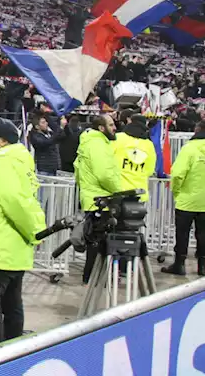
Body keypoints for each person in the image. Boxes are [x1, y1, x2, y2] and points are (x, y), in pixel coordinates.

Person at [0, 119, 45, 346]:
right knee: (11, 305)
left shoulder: (3, 164)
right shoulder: (20, 161)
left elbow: (14, 202)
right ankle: (12, 356)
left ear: (3, 140)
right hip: (15, 246)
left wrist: (35, 232)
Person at [161, 120, 205, 277]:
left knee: (182, 233)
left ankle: (179, 264)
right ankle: (202, 266)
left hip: (187, 198)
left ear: (197, 129)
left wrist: (176, 191)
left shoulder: (189, 149)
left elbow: (178, 173)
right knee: (203, 232)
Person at [73, 113, 122, 284]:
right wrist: (120, 191)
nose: (114, 127)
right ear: (101, 128)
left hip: (92, 199)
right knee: (98, 244)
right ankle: (94, 279)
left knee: (94, 243)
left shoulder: (89, 142)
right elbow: (104, 174)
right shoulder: (98, 145)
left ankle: (90, 278)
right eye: (110, 124)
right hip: (101, 200)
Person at [114, 114, 154, 202]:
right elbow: (150, 170)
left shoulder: (118, 138)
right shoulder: (149, 144)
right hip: (139, 192)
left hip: (118, 191)